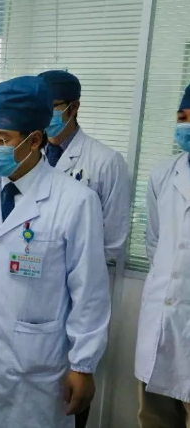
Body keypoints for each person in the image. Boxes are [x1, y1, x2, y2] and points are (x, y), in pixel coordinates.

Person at [0, 76, 111, 428]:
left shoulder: (76, 202)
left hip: (35, 367)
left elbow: (89, 292)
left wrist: (83, 365)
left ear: (35, 140)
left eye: (2, 139)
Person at [135, 83, 190, 428]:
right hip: (160, 326)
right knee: (154, 419)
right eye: (182, 118)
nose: (185, 126)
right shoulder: (164, 173)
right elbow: (155, 242)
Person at [39, 70, 131, 265]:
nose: (43, 114)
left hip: (81, 274)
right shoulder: (28, 156)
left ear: (74, 107)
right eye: (39, 107)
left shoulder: (107, 161)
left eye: (51, 106)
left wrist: (77, 270)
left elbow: (113, 240)